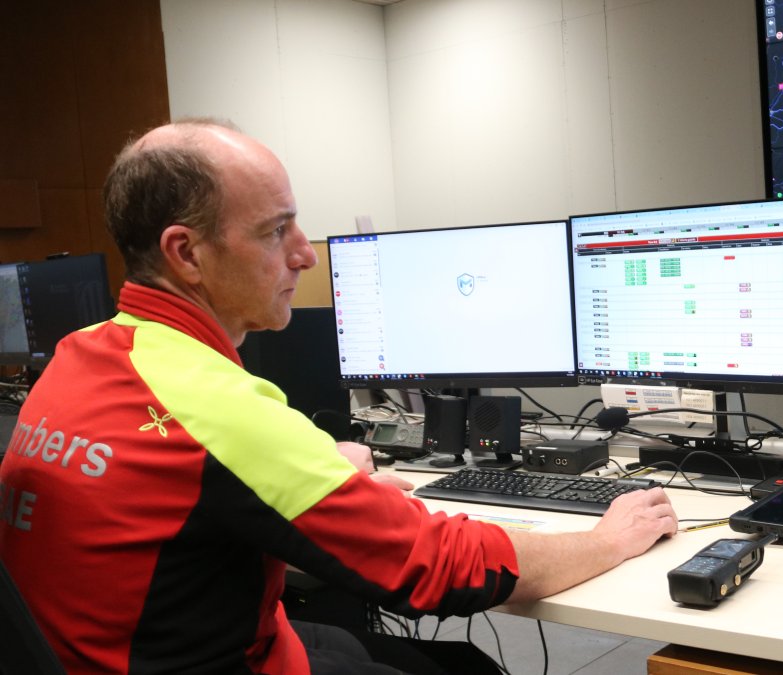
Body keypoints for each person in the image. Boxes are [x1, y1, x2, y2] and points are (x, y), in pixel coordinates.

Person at [0, 118, 678, 674]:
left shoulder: (80, 355)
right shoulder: (214, 409)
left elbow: (173, 495)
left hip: (121, 649)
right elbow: (439, 567)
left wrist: (313, 473)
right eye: (275, 230)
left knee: (353, 641)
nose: (306, 254)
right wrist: (603, 539)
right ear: (187, 253)